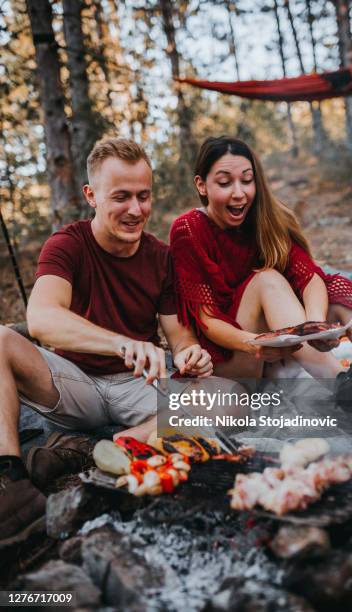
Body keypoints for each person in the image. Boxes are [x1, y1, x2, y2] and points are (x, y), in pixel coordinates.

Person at [0, 138, 212, 547]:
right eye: (121, 197)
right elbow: (42, 319)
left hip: (137, 385)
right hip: (71, 384)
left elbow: (178, 335)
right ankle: (10, 483)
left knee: (232, 396)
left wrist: (190, 354)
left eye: (143, 196)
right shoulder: (67, 245)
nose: (135, 210)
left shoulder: (160, 257)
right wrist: (120, 343)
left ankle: (105, 447)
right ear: (91, 195)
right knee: (1, 340)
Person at [170, 135, 352, 382]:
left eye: (247, 180)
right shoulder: (188, 229)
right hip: (233, 358)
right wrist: (254, 343)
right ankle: (344, 385)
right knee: (266, 280)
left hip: (280, 352)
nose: (239, 193)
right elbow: (207, 320)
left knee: (336, 290)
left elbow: (309, 276)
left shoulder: (265, 217)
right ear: (201, 185)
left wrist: (316, 325)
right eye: (224, 182)